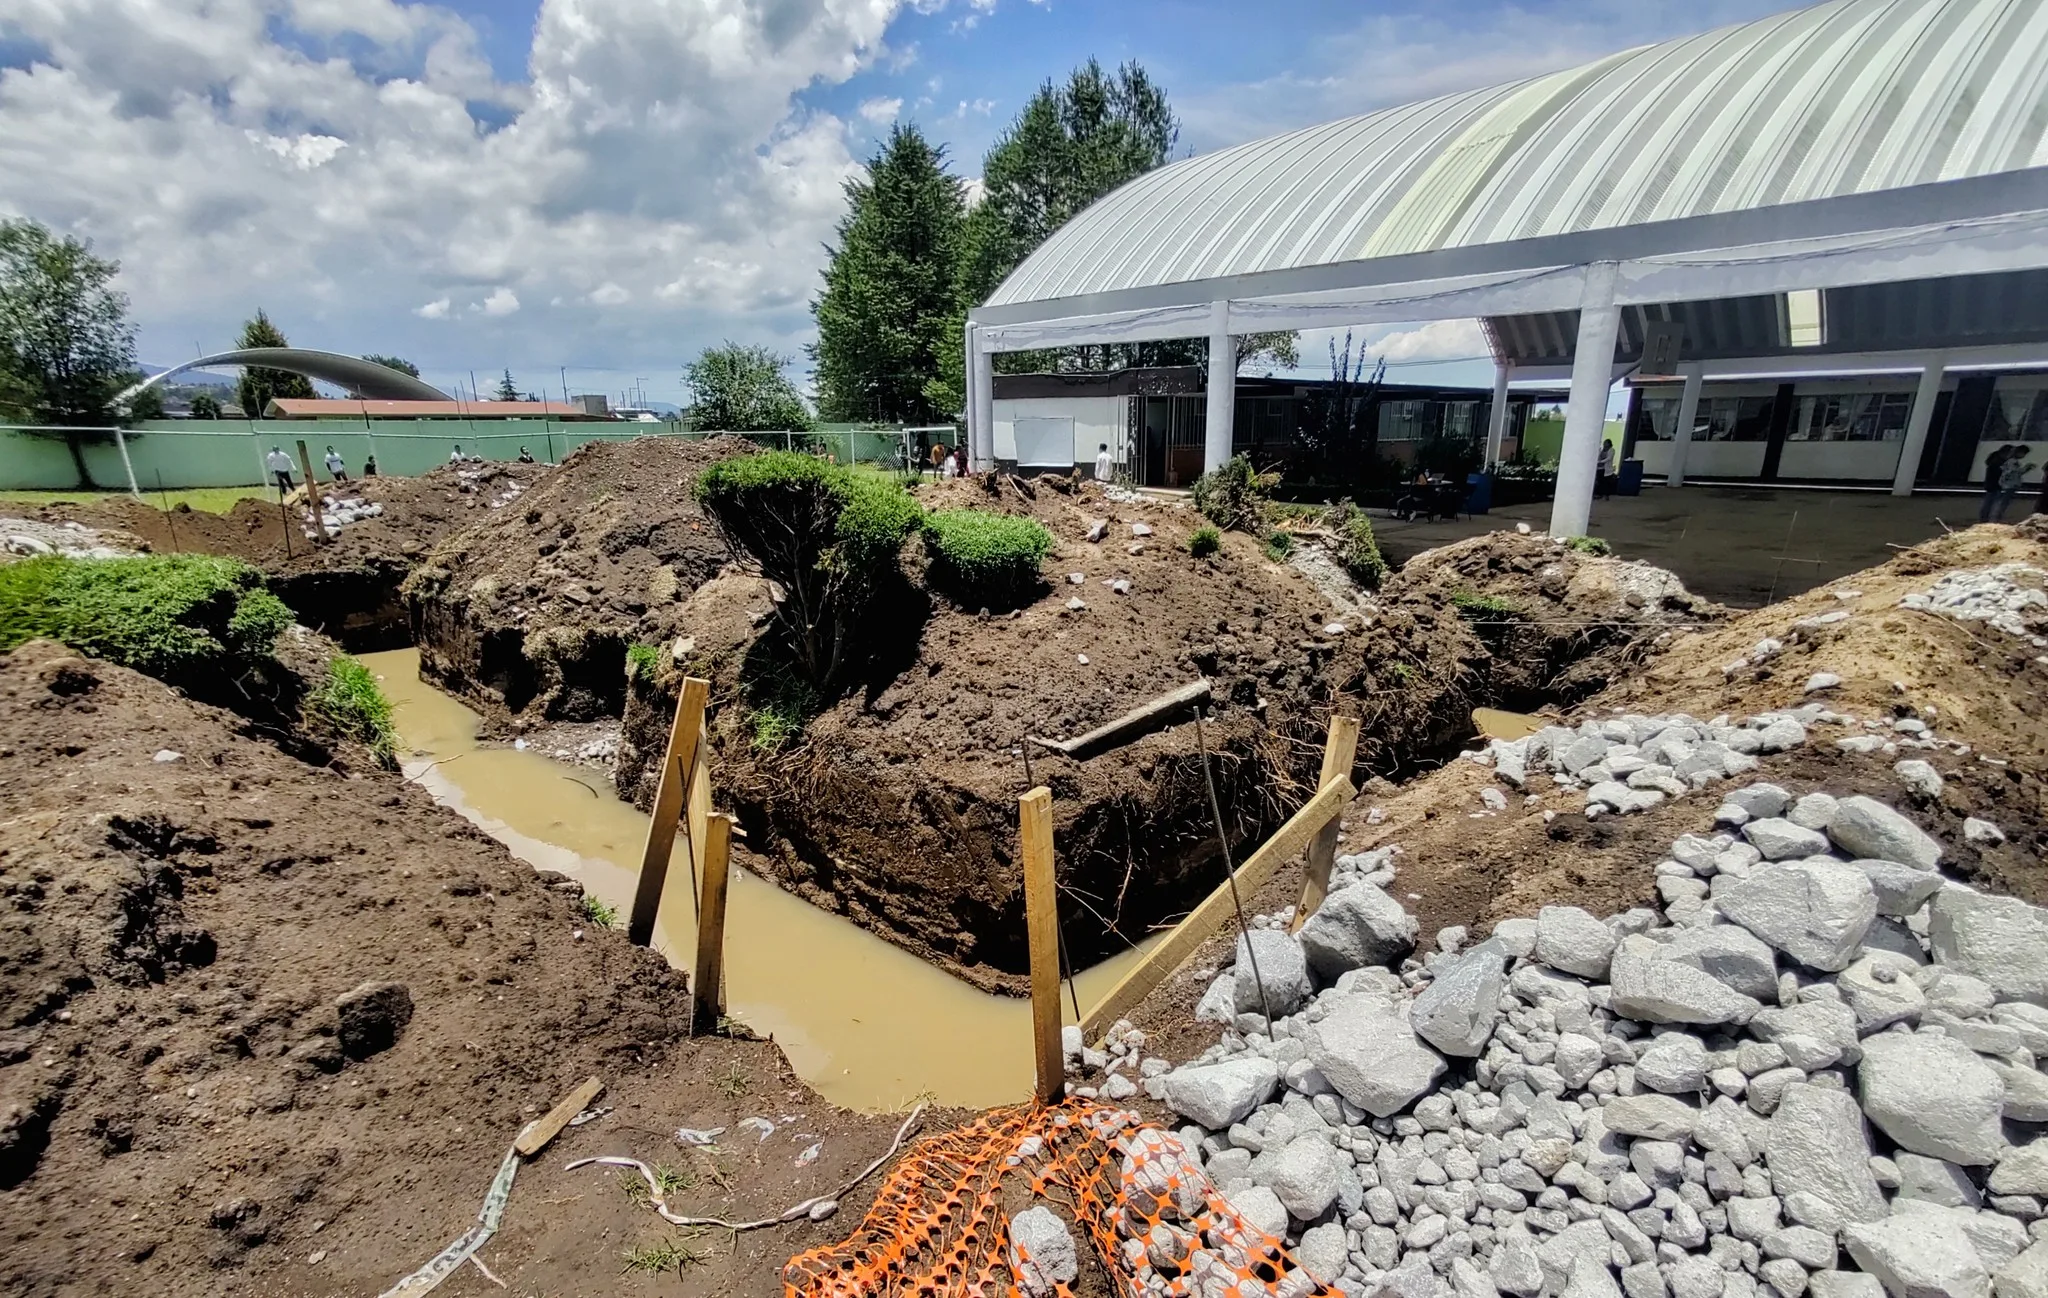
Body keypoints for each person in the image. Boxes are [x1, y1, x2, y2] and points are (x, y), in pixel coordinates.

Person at [1991, 447, 2031, 522]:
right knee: (2003, 502)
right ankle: (1997, 518)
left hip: (2008, 485)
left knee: (2003, 502)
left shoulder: (2010, 461)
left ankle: (1997, 517)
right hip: (2009, 485)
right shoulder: (2013, 462)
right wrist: (2025, 468)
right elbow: (2014, 472)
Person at [1980, 444, 2016, 522]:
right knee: (1993, 504)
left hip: (1991, 485)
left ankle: (1985, 519)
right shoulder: (1999, 462)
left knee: (1988, 503)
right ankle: (1988, 519)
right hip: (1996, 485)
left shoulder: (1994, 460)